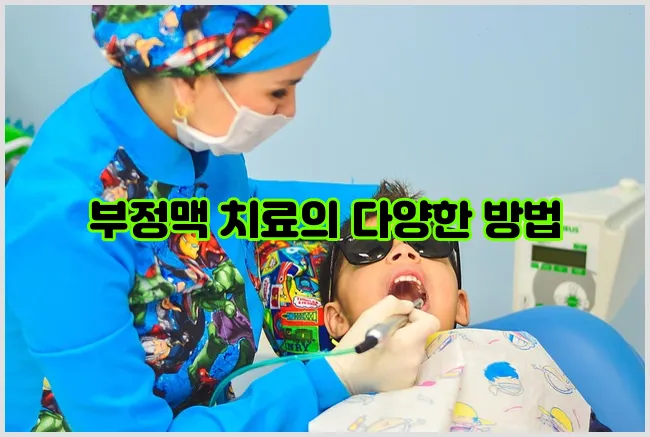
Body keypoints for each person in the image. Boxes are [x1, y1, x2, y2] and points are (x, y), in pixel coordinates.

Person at [4, 6, 438, 432]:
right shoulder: (65, 219)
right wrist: (336, 379)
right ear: (190, 78)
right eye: (279, 91)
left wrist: (383, 208)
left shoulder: (188, 130)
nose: (290, 111)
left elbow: (227, 208)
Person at [317, 180, 612, 432]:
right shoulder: (315, 401)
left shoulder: (518, 358)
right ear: (337, 319)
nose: (404, 251)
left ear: (460, 305)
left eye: (426, 244)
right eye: (370, 249)